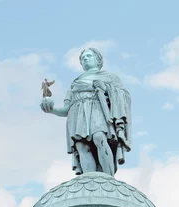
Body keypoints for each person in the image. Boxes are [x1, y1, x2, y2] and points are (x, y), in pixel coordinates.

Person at [41, 47, 131, 176]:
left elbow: (124, 96)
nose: (85, 59)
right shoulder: (75, 83)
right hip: (77, 114)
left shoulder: (110, 77)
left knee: (99, 137)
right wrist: (51, 109)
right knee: (82, 146)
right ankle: (89, 179)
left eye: (89, 56)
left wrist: (105, 87)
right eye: (83, 58)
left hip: (97, 109)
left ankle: (108, 178)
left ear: (98, 60)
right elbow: (66, 109)